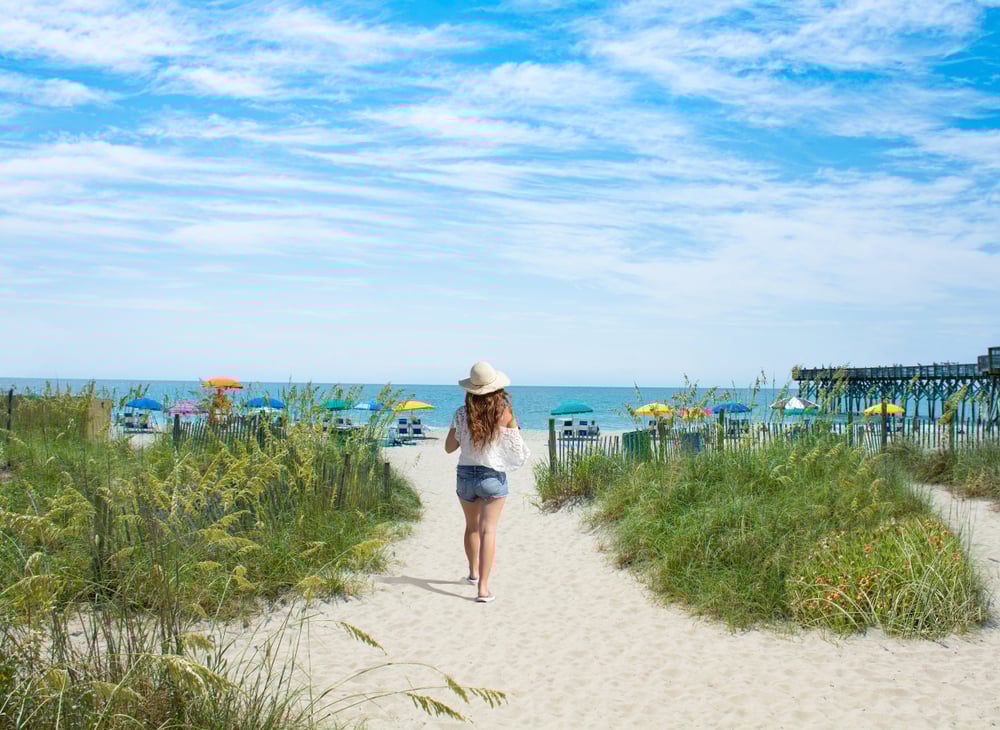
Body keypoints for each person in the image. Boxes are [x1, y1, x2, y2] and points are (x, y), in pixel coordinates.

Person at [445, 361, 529, 603]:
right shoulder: (504, 412)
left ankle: (472, 573)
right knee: (488, 530)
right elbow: (518, 448)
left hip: (465, 476)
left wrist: (463, 433)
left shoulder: (461, 414)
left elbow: (449, 447)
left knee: (471, 527)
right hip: (492, 477)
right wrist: (511, 425)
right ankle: (482, 588)